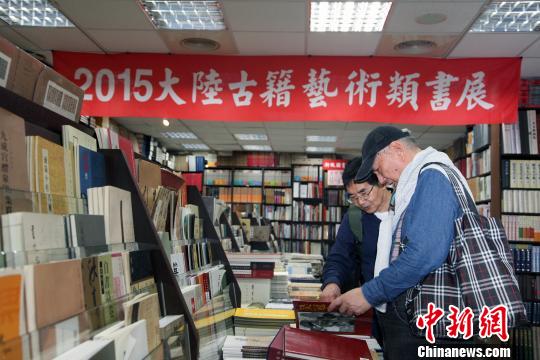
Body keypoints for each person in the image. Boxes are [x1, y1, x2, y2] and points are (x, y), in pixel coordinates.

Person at [328, 126, 474, 359]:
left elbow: (424, 253)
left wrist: (369, 293)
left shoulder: (433, 176)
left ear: (396, 149)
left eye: (378, 170)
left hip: (432, 324)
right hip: (423, 320)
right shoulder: (414, 183)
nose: (382, 179)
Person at [321, 157, 392, 345]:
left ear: (381, 181)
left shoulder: (405, 212)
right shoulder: (355, 217)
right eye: (352, 196)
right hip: (371, 311)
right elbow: (339, 256)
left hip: (406, 316)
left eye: (364, 193)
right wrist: (332, 283)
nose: (360, 201)